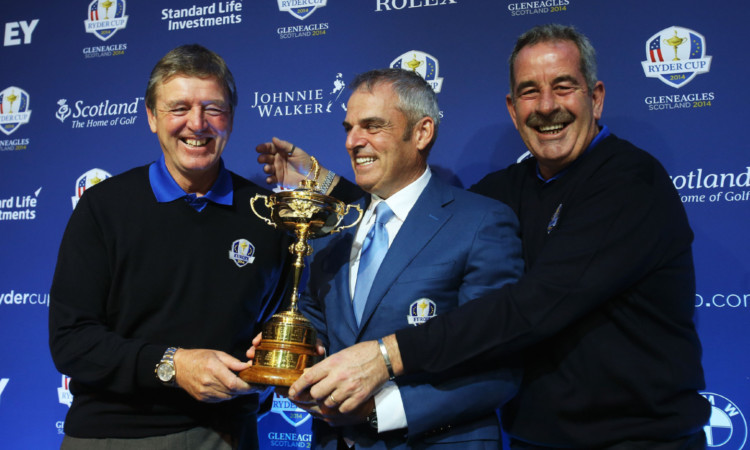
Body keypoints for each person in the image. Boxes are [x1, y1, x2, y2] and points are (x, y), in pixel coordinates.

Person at [259, 25, 711, 449]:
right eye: (530, 91)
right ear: (513, 110)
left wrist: (385, 355)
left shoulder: (629, 183)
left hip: (640, 438)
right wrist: (325, 190)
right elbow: (414, 217)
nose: (547, 105)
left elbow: (534, 306)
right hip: (536, 437)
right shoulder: (506, 190)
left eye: (564, 86)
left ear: (596, 98)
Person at [257, 68, 524, 448]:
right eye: (348, 128)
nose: (352, 141)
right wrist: (287, 357)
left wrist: (378, 409)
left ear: (421, 132)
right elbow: (316, 340)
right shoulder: (330, 230)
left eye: (372, 126)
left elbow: (498, 367)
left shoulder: (481, 222)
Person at [49, 44, 289, 449]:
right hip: (112, 435)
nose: (197, 124)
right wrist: (173, 365)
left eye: (213, 109)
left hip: (225, 434)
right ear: (151, 118)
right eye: (178, 108)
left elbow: (282, 324)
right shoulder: (103, 207)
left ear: (230, 118)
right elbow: (71, 342)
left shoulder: (268, 214)